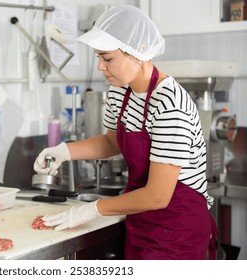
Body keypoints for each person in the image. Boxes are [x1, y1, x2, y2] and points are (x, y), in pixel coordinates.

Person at [33, 5, 218, 260]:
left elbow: (157, 196)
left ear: (138, 52)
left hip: (178, 231)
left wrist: (91, 210)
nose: (100, 67)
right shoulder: (121, 90)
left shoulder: (169, 104)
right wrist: (64, 151)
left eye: (107, 58)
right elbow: (112, 142)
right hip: (141, 222)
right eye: (98, 57)